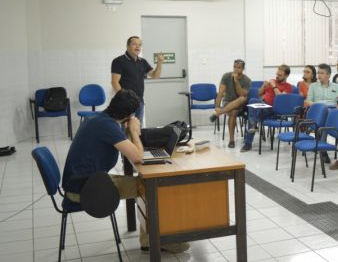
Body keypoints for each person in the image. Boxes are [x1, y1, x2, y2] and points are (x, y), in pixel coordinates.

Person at [62, 90, 188, 253]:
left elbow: (127, 148)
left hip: (82, 181)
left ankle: (148, 238)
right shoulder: (107, 126)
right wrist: (134, 131)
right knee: (151, 186)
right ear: (130, 114)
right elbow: (138, 157)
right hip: (86, 189)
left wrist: (129, 132)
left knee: (145, 184)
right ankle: (155, 240)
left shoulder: (99, 119)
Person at [111, 36, 164, 124]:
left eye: (139, 45)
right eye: (134, 44)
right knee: (126, 131)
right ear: (127, 46)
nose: (137, 47)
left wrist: (159, 63)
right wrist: (124, 99)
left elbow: (155, 76)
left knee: (138, 130)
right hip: (126, 103)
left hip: (140, 102)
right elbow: (114, 82)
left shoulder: (142, 61)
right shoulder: (118, 61)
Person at [307, 64, 338, 163]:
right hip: (318, 111)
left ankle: (329, 151)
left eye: (322, 73)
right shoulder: (313, 86)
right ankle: (323, 150)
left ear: (328, 75)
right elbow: (308, 101)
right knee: (325, 116)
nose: (319, 75)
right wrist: (319, 107)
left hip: (332, 110)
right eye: (318, 73)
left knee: (337, 120)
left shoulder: (336, 86)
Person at [242, 65, 293, 152]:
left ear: (286, 76)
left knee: (252, 113)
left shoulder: (288, 86)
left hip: (274, 110)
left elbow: (280, 98)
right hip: (263, 107)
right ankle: (253, 127)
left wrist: (273, 86)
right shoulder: (272, 82)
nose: (277, 76)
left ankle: (248, 143)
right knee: (253, 101)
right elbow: (259, 93)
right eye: (277, 74)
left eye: (280, 75)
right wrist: (263, 86)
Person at [209, 59, 251, 148]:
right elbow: (220, 92)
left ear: (243, 69)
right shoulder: (226, 76)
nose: (236, 69)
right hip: (228, 102)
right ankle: (231, 141)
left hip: (241, 104)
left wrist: (236, 81)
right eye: (234, 67)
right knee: (233, 112)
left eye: (239, 67)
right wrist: (217, 106)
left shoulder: (247, 80)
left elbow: (241, 94)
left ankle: (219, 113)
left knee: (243, 98)